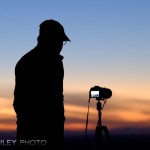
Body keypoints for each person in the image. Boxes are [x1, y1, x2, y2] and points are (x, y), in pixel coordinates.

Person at [13, 19, 70, 150]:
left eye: (62, 41)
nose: (61, 45)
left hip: (54, 132)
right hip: (33, 133)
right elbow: (21, 103)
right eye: (58, 40)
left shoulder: (56, 62)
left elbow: (57, 97)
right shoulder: (28, 62)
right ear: (47, 39)